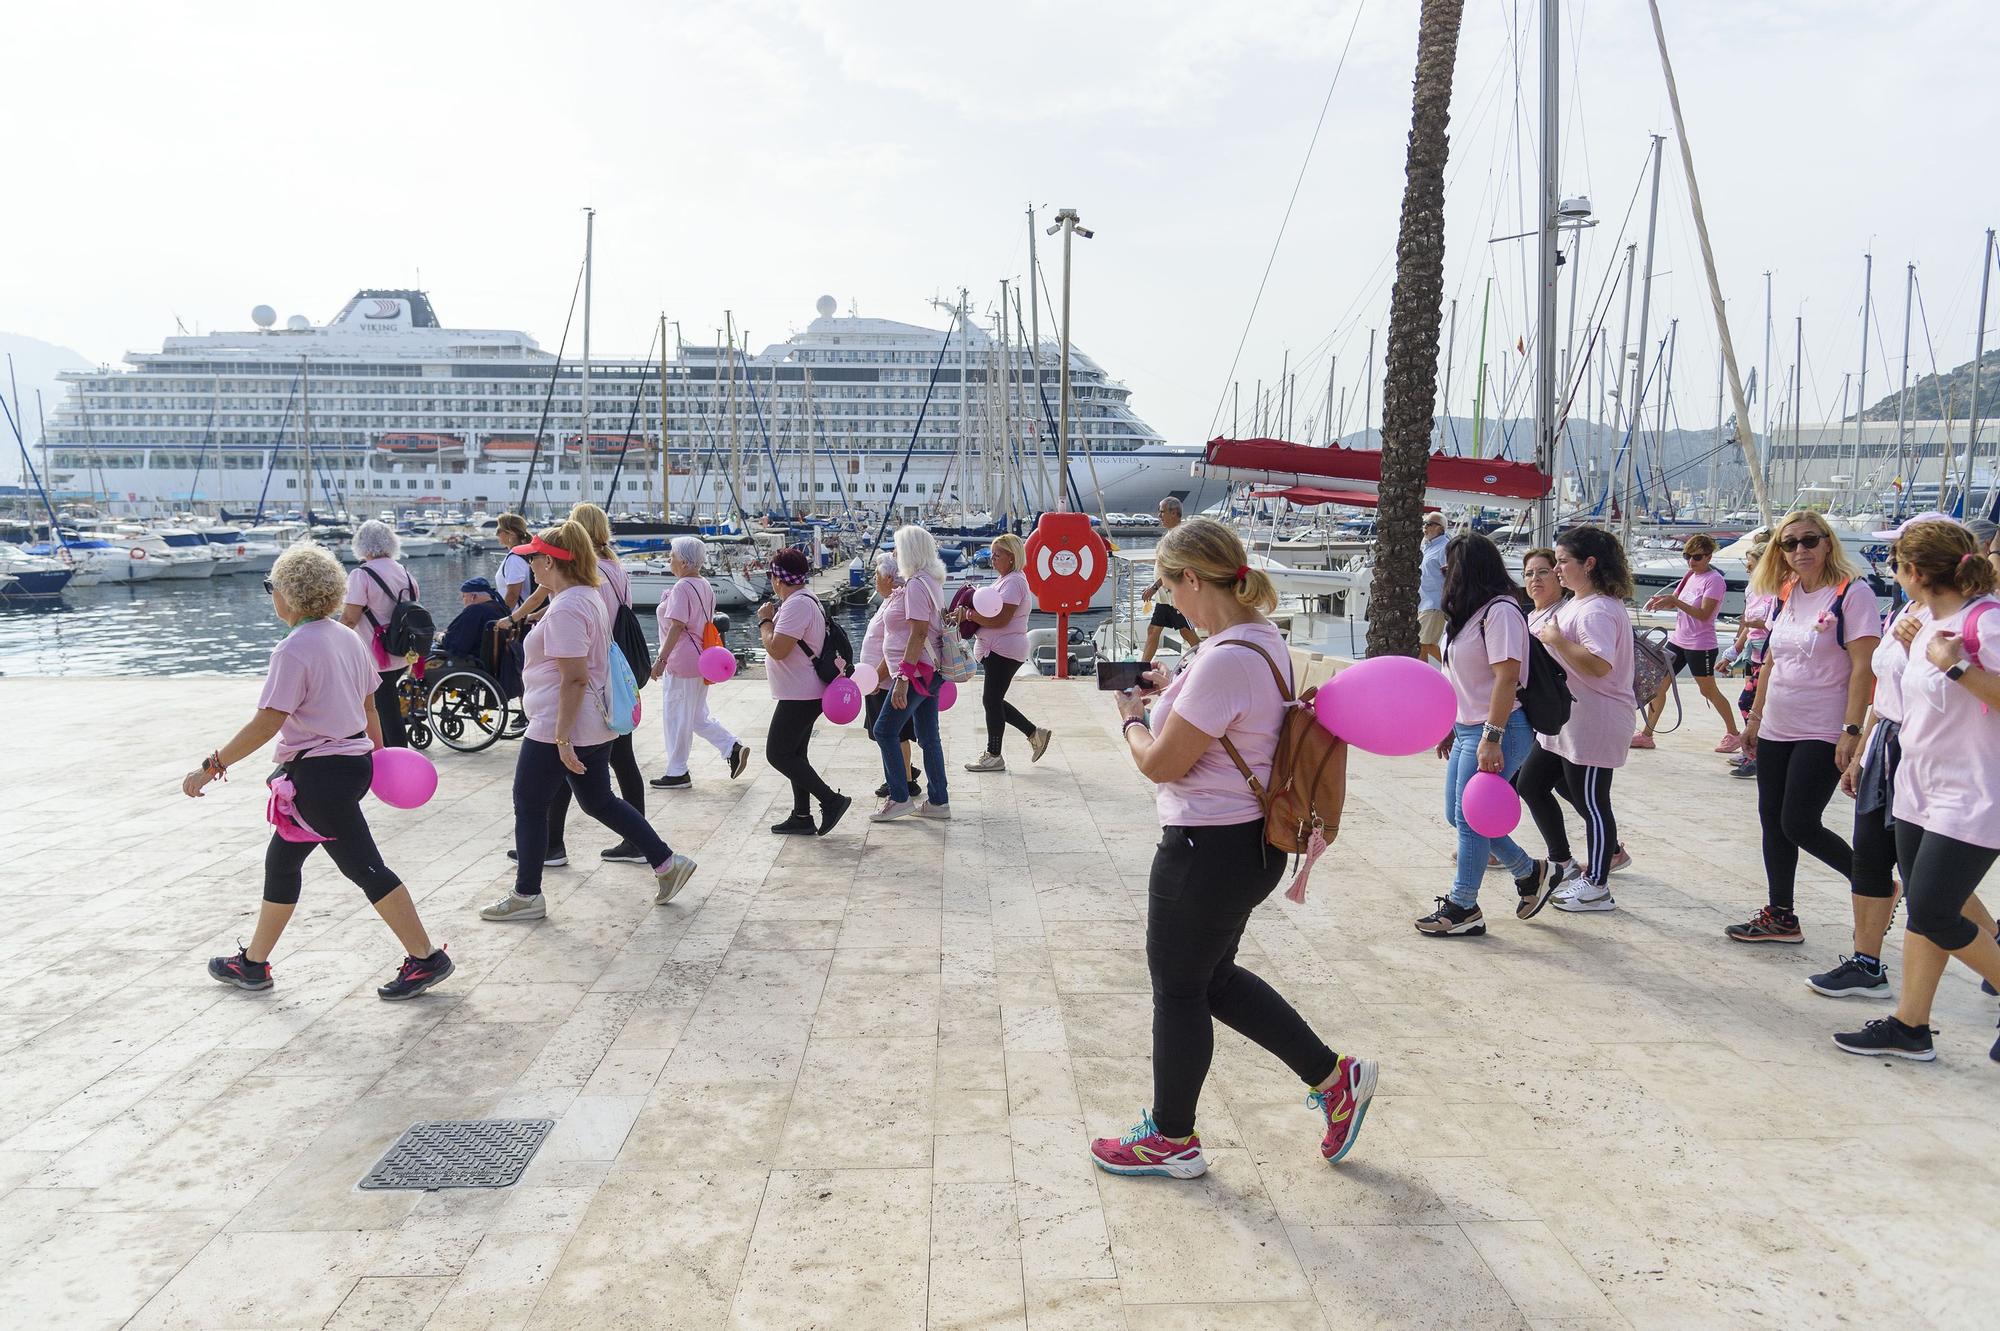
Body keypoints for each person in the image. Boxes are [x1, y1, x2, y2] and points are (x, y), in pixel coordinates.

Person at [1092, 517, 1376, 1179]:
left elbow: (1161, 763)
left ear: (1192, 578)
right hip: (1247, 847)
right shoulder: (1257, 640)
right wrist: (1173, 689)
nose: (1167, 601)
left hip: (1204, 850)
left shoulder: (1222, 658)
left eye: (1167, 587)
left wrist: (1133, 717)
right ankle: (1335, 1078)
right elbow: (1233, 720)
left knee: (1179, 991)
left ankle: (1171, 1137)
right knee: (1210, 981)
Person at [185, 543, 452, 1000]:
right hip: (348, 766)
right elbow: (369, 703)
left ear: (287, 594)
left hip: (318, 778)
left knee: (366, 869)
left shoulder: (293, 650)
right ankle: (252, 964)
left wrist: (212, 767)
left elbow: (268, 721)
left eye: (272, 587)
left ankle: (426, 957)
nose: (272, 595)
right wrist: (378, 757)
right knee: (282, 863)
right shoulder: (348, 638)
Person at [1833, 518, 2000, 1060]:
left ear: (1914, 571)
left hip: (1974, 794)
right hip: (1918, 787)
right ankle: (1910, 1026)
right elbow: (1906, 701)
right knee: (1922, 907)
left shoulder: (1986, 623)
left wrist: (1957, 668)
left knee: (1931, 910)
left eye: (1897, 567)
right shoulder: (1922, 619)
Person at [481, 521, 696, 921]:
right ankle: (667, 863)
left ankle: (527, 895)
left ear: (549, 561)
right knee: (598, 800)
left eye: (533, 559)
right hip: (593, 722)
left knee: (528, 803)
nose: (530, 566)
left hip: (558, 725)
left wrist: (561, 739)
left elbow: (574, 677)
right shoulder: (586, 594)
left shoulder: (566, 608)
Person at [1809, 518, 1963, 998]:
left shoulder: (1952, 619)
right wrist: (1861, 746)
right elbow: (1887, 688)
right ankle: (1867, 962)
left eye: (1896, 556)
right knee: (1872, 859)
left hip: (1921, 752)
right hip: (1887, 743)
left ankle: (1989, 948)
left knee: (1928, 879)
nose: (1891, 563)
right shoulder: (1906, 611)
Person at [1727, 511, 1880, 944]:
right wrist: (1755, 718)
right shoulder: (1787, 591)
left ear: (1827, 543)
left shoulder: (1853, 594)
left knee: (1799, 822)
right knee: (1772, 821)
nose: (1800, 550)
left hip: (1824, 726)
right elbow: (1772, 659)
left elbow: (1863, 667)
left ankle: (1875, 887)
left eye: (1809, 540)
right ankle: (1781, 915)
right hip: (1778, 723)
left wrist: (1852, 729)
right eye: (1789, 543)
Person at [1415, 533, 1558, 936]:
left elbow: (1507, 677)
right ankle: (1529, 873)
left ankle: (1464, 906)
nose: (1444, 576)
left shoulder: (1501, 612)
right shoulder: (1468, 616)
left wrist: (1491, 736)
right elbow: (1461, 679)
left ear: (1468, 570)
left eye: (1449, 569)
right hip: (1466, 729)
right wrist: (1449, 725)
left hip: (1500, 728)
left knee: (1471, 820)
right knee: (1457, 814)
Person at [1517, 526, 1634, 913]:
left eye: (1563, 561)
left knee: (1593, 802)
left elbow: (1600, 665)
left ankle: (1598, 884)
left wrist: (1557, 641)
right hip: (1570, 720)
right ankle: (1564, 863)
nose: (1558, 569)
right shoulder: (1579, 603)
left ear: (1589, 564)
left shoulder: (1598, 608)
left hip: (1596, 719)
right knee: (1532, 782)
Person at [541, 504, 655, 865]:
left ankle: (558, 843)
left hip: (598, 680)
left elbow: (588, 631)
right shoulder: (617, 568)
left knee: (578, 760)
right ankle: (557, 841)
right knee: (621, 760)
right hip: (616, 673)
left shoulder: (594, 574)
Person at [758, 546, 852, 835]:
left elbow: (777, 649)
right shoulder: (804, 600)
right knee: (795, 754)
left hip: (801, 693)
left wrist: (764, 621)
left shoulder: (797, 605)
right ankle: (801, 815)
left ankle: (831, 800)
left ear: (778, 578)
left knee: (778, 754)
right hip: (801, 691)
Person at [650, 535, 750, 791]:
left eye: (672, 556)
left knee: (676, 716)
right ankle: (732, 747)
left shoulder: (683, 587)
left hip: (681, 659)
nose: (669, 560)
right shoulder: (703, 584)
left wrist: (661, 659)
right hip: (700, 659)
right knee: (695, 715)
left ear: (683, 561)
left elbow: (677, 626)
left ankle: (677, 771)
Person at [871, 525, 951, 822]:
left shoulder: (917, 584)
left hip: (918, 671)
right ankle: (939, 801)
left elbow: (917, 634)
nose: (896, 553)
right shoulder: (931, 580)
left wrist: (902, 680)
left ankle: (900, 797)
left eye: (898, 548)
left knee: (884, 730)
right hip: (933, 668)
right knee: (928, 736)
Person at [956, 532, 1053, 772]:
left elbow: (1000, 618)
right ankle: (1034, 733)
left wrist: (968, 615)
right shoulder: (1005, 580)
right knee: (994, 699)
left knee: (991, 699)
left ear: (1011, 557)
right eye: (992, 555)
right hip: (998, 649)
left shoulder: (1015, 582)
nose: (993, 559)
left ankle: (994, 754)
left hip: (1005, 650)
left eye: (997, 555)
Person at [1637, 534, 1740, 752]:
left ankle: (1733, 733)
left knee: (1708, 690)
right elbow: (1677, 602)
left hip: (1700, 644)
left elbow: (1703, 614)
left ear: (1709, 556)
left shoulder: (1715, 581)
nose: (1691, 561)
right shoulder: (1689, 575)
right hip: (1678, 640)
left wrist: (1675, 601)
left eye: (1697, 557)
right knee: (1659, 687)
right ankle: (1647, 734)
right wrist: (1662, 602)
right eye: (1687, 556)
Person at [340, 519, 419, 750]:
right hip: (402, 651)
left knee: (384, 710)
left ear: (361, 545)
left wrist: (331, 639)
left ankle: (396, 758)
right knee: (387, 707)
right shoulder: (404, 572)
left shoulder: (361, 575)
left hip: (376, 656)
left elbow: (350, 618)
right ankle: (387, 751)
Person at [858, 553, 921, 798]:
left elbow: (895, 645)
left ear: (887, 577)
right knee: (886, 732)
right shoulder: (890, 600)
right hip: (879, 680)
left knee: (894, 733)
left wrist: (876, 676)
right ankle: (903, 772)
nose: (874, 579)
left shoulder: (898, 602)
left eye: (876, 575)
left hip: (884, 681)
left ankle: (903, 780)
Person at [1722, 539, 1774, 779]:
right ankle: (1752, 748)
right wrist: (1733, 652)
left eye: (1751, 565)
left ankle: (1756, 752)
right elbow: (1746, 625)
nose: (1747, 570)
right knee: (1749, 703)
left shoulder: (1776, 591)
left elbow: (1776, 624)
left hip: (1767, 653)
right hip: (1753, 652)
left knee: (1748, 703)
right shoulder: (1752, 590)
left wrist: (1759, 624)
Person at [1139, 497, 1200, 663]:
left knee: (1187, 633)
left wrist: (1154, 587)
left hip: (1177, 596)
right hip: (1165, 597)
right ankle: (1141, 669)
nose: (1159, 515)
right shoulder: (1170, 535)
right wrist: (1155, 587)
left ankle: (1207, 660)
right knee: (1153, 630)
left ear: (1174, 513)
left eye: (1162, 511)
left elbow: (1175, 567)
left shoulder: (1181, 537)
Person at [440, 576, 511, 659]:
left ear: (473, 596)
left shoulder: (475, 611)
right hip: (498, 660)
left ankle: (420, 670)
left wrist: (440, 637)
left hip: (476, 662)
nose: (463, 600)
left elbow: (455, 644)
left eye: (464, 596)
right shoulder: (501, 608)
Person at [1417, 512, 1450, 664]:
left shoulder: (1444, 548)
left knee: (1423, 644)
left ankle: (1452, 668)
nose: (1425, 527)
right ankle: (1452, 668)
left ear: (1440, 528)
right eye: (1424, 523)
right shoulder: (1427, 547)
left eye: (1429, 524)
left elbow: (1451, 576)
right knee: (1425, 644)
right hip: (1424, 602)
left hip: (1435, 603)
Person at [494, 514, 534, 609]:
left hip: (517, 618)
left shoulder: (515, 559)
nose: (496, 534)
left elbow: (512, 595)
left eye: (499, 530)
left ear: (511, 533)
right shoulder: (524, 553)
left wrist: (503, 618)